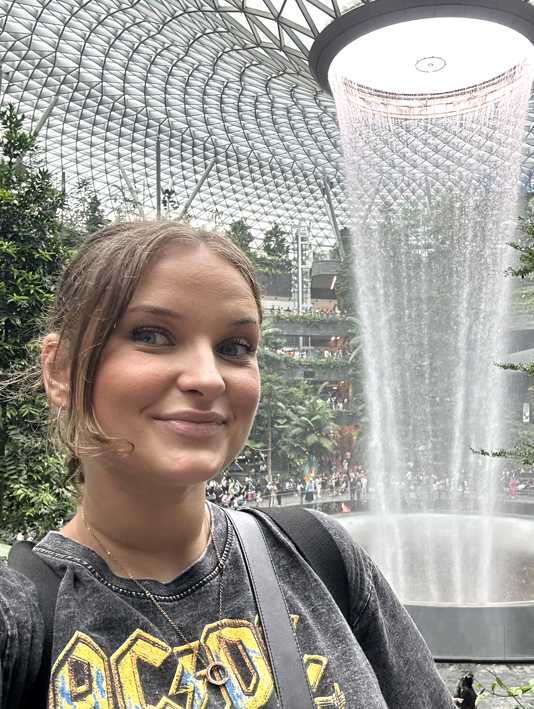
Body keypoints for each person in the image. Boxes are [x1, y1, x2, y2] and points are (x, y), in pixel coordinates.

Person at [0, 221, 454, 709]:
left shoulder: (319, 556)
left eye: (234, 347)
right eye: (152, 335)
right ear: (62, 371)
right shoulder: (23, 618)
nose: (208, 378)